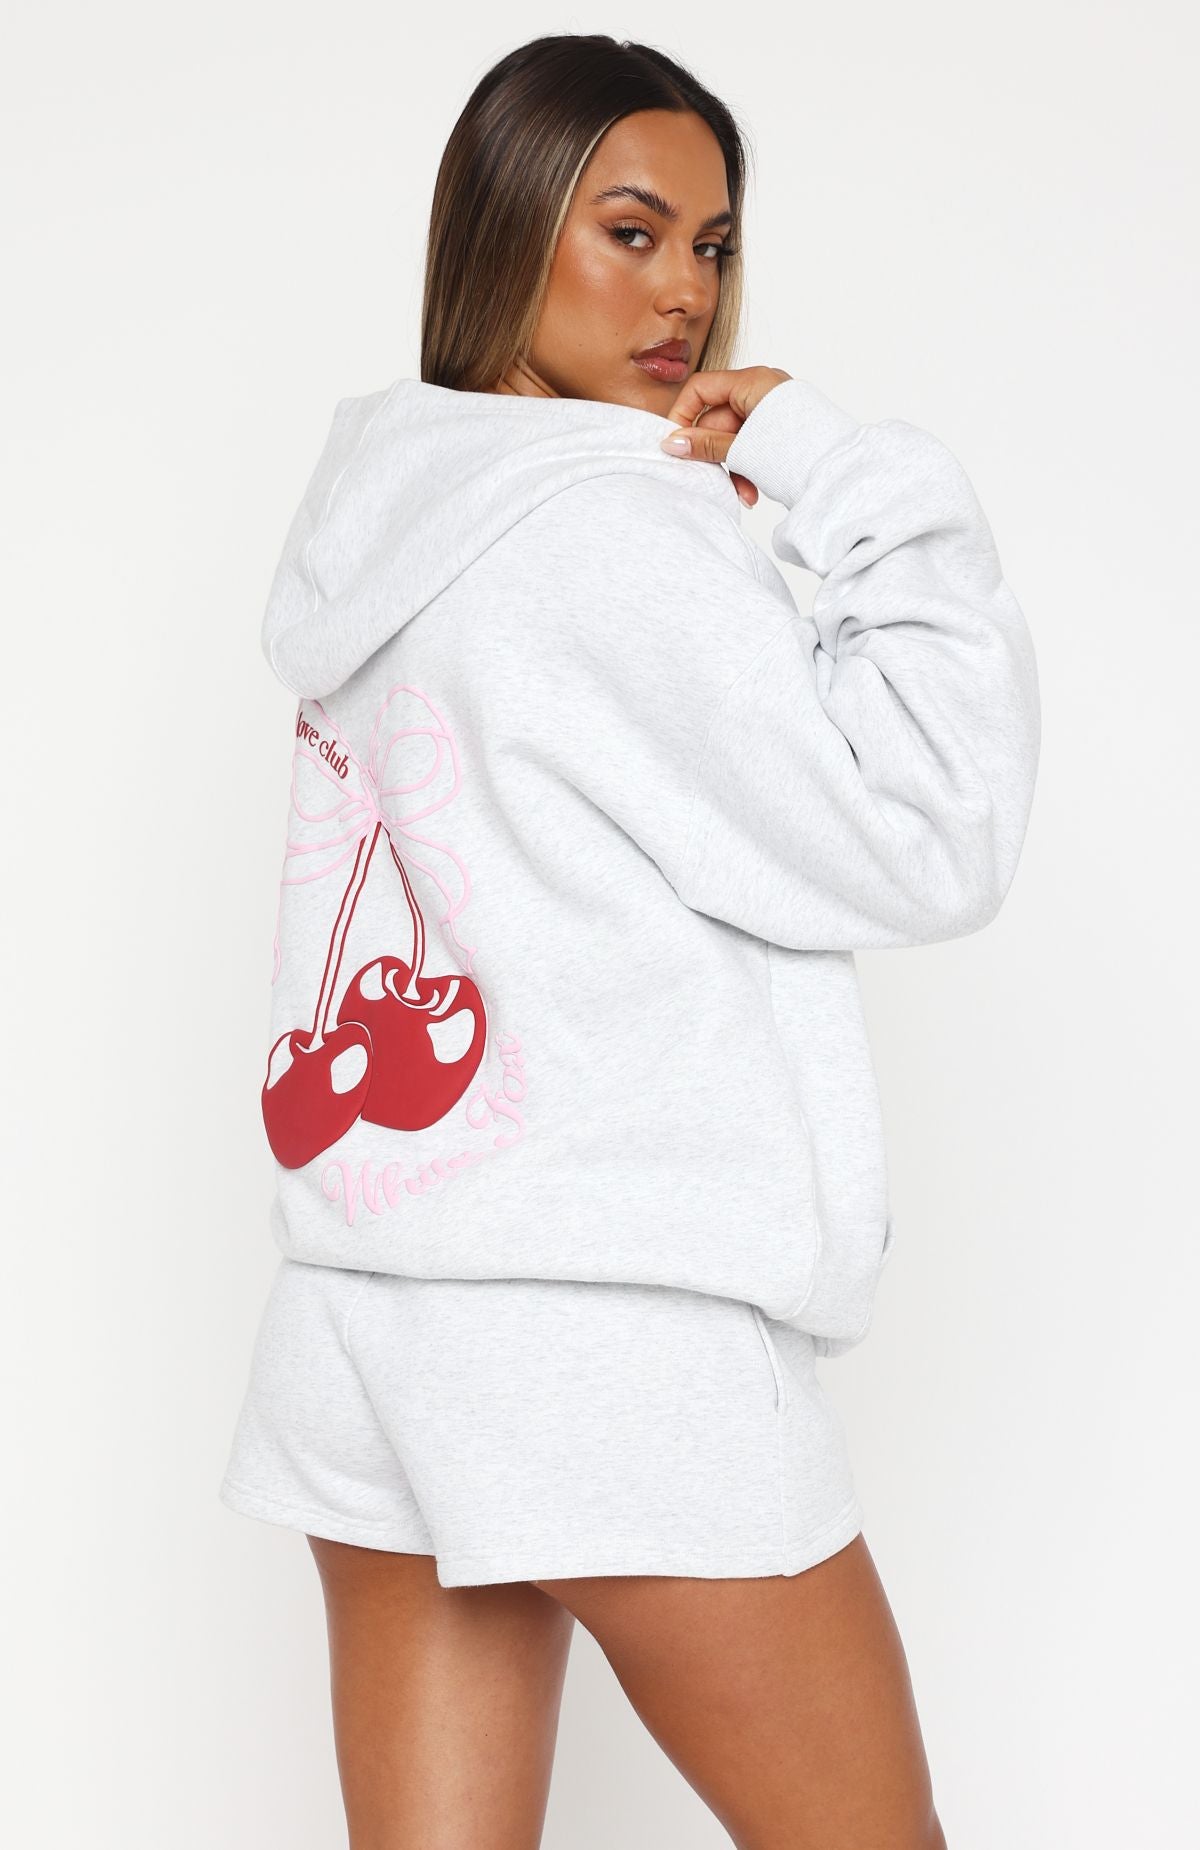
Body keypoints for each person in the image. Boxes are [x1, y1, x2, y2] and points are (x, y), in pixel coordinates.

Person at [219, 32, 1039, 1850]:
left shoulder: (387, 521)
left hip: (370, 1310)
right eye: (634, 231)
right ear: (507, 229)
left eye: (713, 246)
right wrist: (840, 468)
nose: (686, 293)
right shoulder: (611, 529)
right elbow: (931, 828)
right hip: (612, 1336)